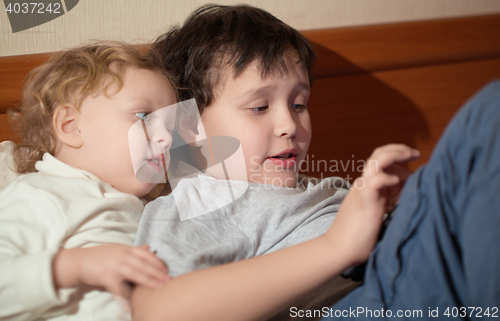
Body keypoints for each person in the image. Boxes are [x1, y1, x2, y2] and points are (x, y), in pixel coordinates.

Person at [131, 5, 499, 321]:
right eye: (259, 107)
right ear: (187, 131)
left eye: (299, 103)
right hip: (362, 300)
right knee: (488, 119)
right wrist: (338, 246)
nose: (289, 125)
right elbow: (159, 311)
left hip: (404, 269)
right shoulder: (202, 201)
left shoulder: (310, 188)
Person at [0, 42, 176, 320]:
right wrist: (73, 266)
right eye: (144, 116)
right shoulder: (43, 193)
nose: (166, 137)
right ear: (70, 126)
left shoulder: (153, 207)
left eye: (170, 125)